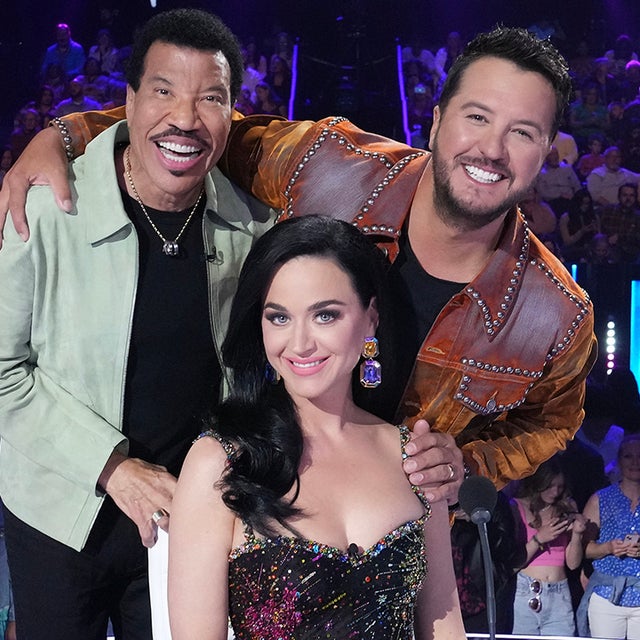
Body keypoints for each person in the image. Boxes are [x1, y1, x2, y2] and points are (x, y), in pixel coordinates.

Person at [0, 26, 598, 491]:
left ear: (548, 150)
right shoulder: (331, 166)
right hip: (265, 503)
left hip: (403, 537)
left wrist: (466, 465)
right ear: (437, 120)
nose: (491, 149)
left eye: (522, 132)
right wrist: (66, 134)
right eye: (477, 117)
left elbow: (550, 424)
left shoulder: (557, 316)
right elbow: (201, 126)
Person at [0, 9, 276, 639]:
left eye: (211, 98)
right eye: (163, 91)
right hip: (56, 514)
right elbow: (3, 374)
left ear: (232, 114)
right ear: (128, 101)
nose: (185, 118)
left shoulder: (252, 231)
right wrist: (113, 467)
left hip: (184, 521)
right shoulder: (43, 212)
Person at [168, 214, 466, 639]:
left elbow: (445, 625)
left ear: (370, 318)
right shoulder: (221, 462)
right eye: (279, 318)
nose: (300, 343)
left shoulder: (415, 457)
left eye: (325, 316)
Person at [511, 455, 586, 636]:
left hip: (559, 593)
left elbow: (573, 564)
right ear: (538, 482)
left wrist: (577, 535)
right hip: (527, 590)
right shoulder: (518, 506)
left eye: (559, 487)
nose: (555, 492)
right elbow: (514, 562)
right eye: (550, 486)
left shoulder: (567, 506)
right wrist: (539, 538)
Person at [578, 435, 640, 639]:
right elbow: (583, 548)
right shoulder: (601, 499)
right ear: (619, 460)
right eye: (628, 456)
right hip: (606, 596)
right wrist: (608, 548)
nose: (635, 462)